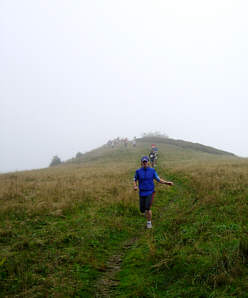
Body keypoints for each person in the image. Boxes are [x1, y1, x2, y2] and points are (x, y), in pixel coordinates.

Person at [133, 156, 173, 229]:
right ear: (141, 163)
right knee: (142, 210)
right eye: (143, 162)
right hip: (141, 192)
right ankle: (146, 213)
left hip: (150, 192)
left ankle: (149, 223)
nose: (145, 163)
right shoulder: (138, 171)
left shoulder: (152, 171)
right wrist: (135, 186)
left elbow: (158, 179)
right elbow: (135, 179)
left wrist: (166, 183)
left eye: (146, 161)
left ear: (148, 162)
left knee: (147, 208)